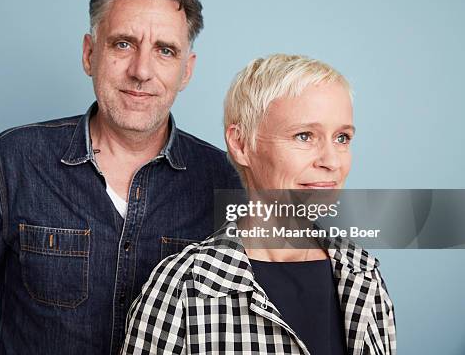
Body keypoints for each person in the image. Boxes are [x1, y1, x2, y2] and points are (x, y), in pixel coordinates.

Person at [0, 0, 241, 355]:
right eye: (123, 43)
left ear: (186, 71)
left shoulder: (227, 180)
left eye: (165, 51)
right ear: (90, 54)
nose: (141, 71)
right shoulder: (13, 160)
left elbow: (305, 273)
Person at [122, 54, 397, 354]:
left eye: (342, 138)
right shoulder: (184, 287)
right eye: (304, 136)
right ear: (241, 144)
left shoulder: (363, 275)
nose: (331, 161)